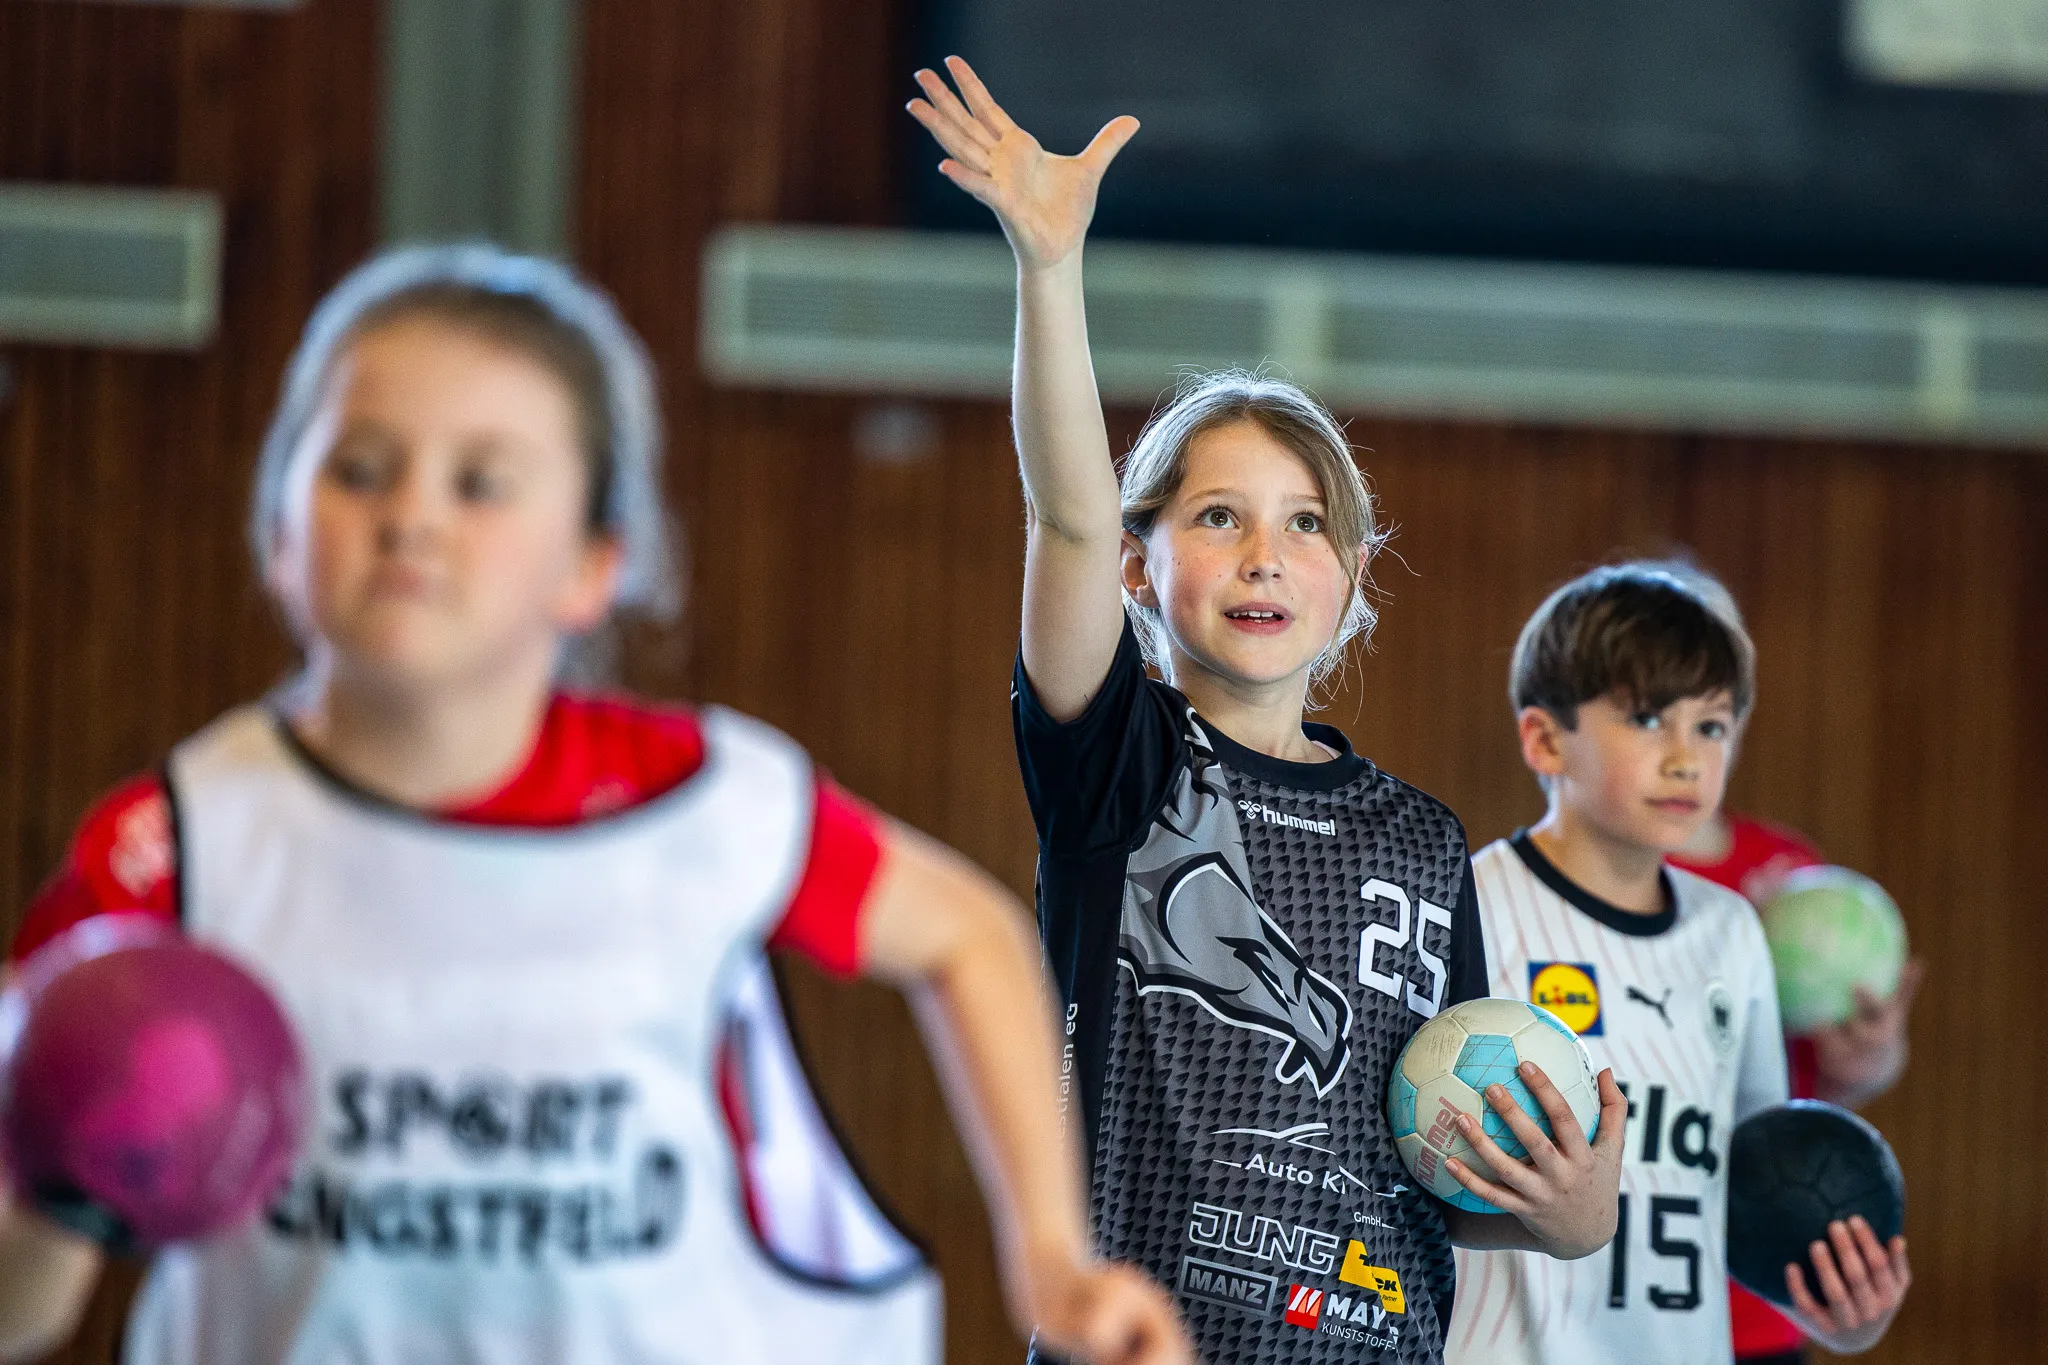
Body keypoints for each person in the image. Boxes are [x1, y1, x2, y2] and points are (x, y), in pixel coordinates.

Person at [0, 245, 1190, 1365]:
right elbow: (20, 1316)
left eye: (480, 483)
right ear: (276, 531)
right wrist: (67, 1179)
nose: (410, 513)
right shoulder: (173, 849)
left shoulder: (704, 803)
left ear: (592, 564)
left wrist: (1049, 1258)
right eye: (361, 468)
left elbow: (968, 935)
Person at [909, 56, 1624, 1365]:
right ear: (1141, 568)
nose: (1263, 555)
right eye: (1217, 517)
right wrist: (1049, 267)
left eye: (1305, 525)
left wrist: (1571, 1210)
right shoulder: (1115, 766)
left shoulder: (1421, 840)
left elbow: (1447, 1160)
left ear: (1350, 579)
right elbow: (1064, 512)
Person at [1446, 562, 1911, 1365]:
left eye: (1713, 726)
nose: (1687, 757)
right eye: (1649, 718)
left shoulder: (1734, 932)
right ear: (1545, 737)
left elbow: (1762, 1184)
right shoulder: (1474, 902)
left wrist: (1838, 1314)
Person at [1658, 560, 1924, 1365]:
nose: (1684, 738)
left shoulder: (1788, 875)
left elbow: (1819, 1081)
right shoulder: (1578, 886)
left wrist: (1872, 1059)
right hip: (1617, 1292)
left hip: (1760, 1301)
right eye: (1653, 703)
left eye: (1715, 703)